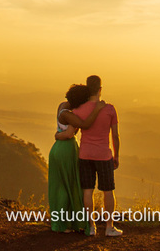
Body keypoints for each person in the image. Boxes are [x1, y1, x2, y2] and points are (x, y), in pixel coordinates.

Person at [48, 83, 107, 232]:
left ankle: (62, 222)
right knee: (67, 186)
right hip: (66, 149)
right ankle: (62, 224)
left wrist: (57, 135)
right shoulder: (69, 114)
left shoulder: (62, 106)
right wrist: (98, 109)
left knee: (61, 185)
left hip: (57, 149)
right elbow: (84, 125)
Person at [72, 74, 121, 237]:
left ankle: (91, 227)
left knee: (87, 190)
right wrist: (116, 155)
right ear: (100, 89)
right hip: (103, 155)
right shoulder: (109, 109)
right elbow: (115, 135)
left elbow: (74, 130)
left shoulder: (78, 109)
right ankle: (109, 227)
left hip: (85, 154)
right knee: (108, 191)